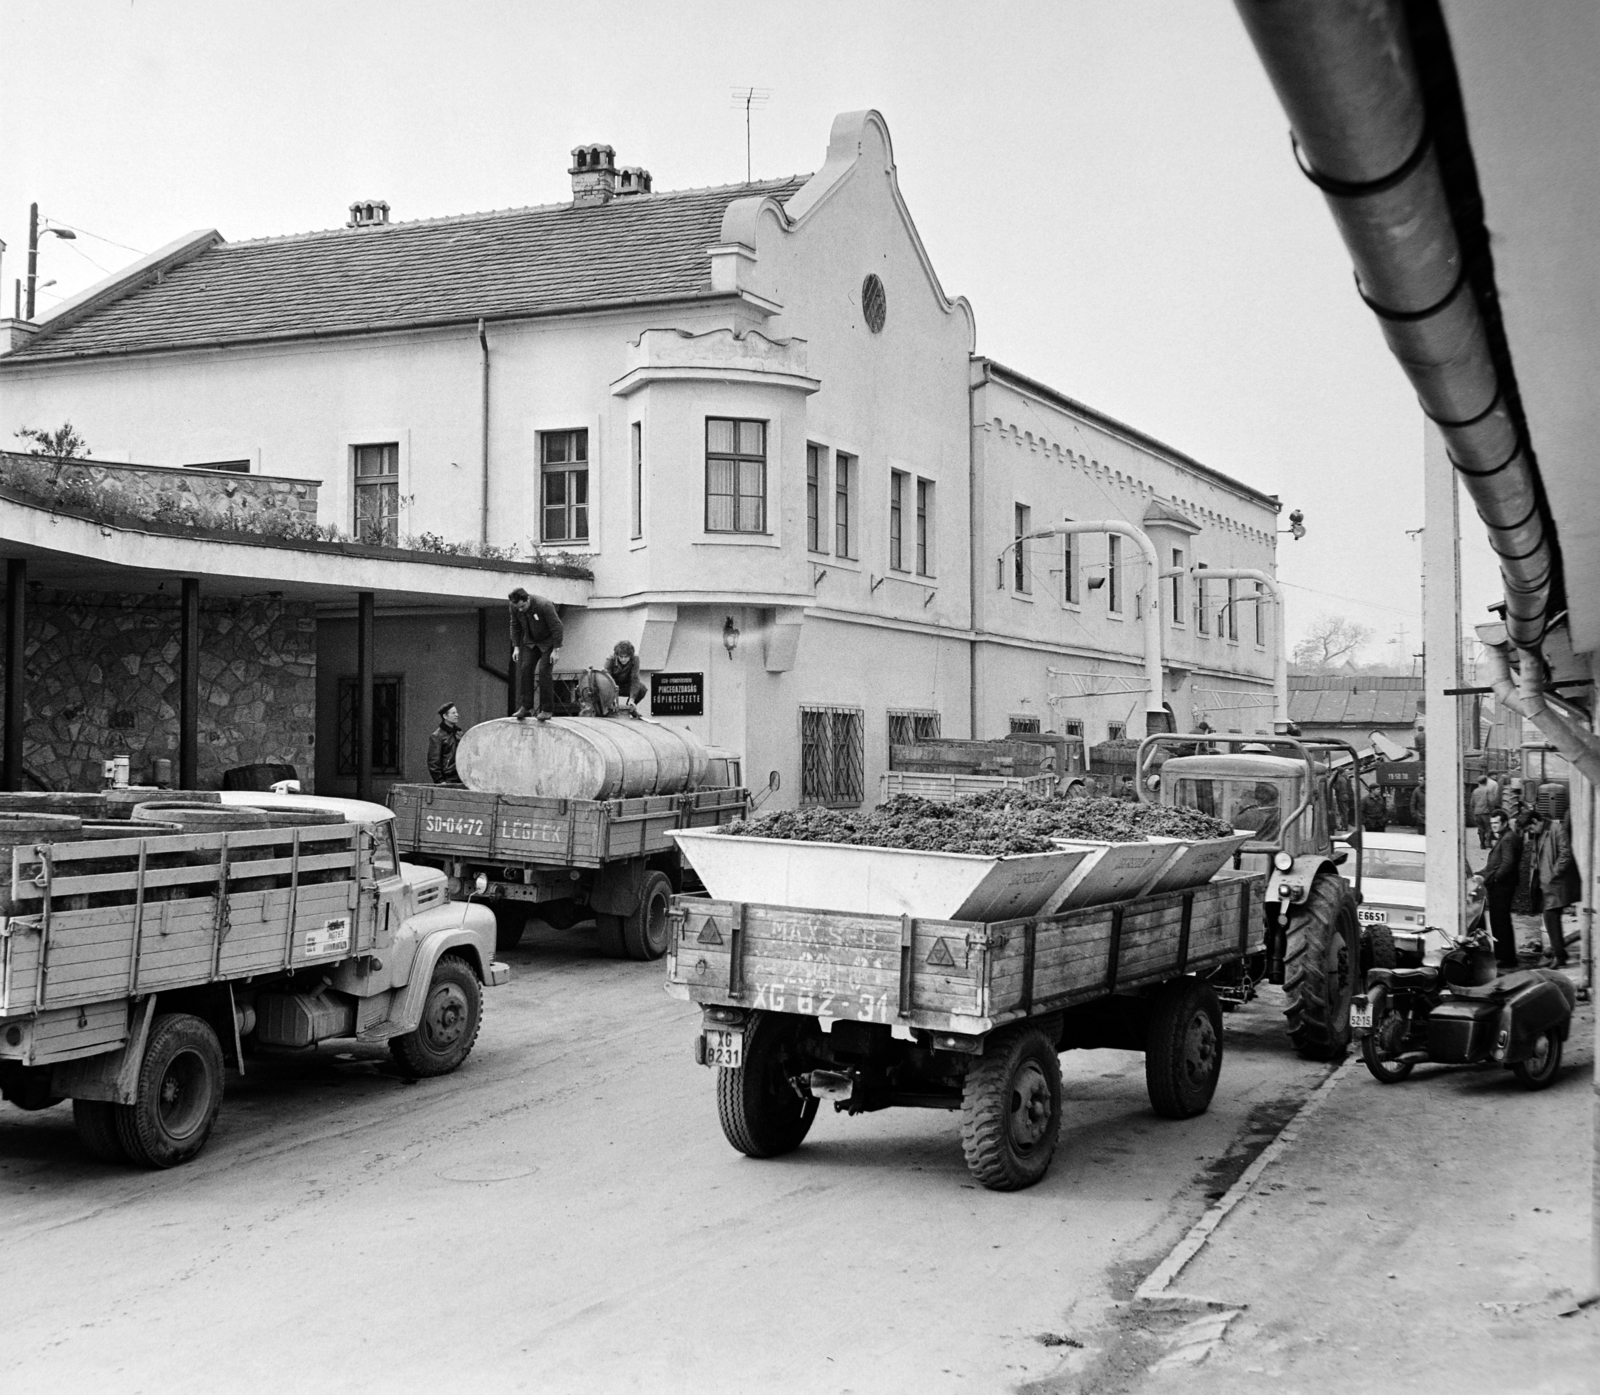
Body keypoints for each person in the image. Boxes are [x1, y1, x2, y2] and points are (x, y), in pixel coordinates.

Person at [508, 588, 563, 721]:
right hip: (531, 642)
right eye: (518, 607)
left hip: (548, 643)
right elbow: (515, 625)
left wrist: (556, 650)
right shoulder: (514, 606)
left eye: (522, 606)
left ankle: (547, 709)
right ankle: (526, 707)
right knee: (525, 669)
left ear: (528, 599)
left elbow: (557, 626)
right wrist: (516, 647)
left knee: (544, 672)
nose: (520, 609)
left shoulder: (544, 605)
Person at [1535, 809, 1580, 968]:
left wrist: (1554, 873)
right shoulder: (1541, 832)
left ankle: (1559, 956)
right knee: (1550, 919)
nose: (1530, 832)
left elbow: (1565, 854)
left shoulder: (1556, 829)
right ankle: (1560, 952)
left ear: (1536, 822)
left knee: (1551, 919)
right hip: (1549, 885)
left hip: (1557, 885)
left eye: (1530, 828)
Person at [1478, 810, 1523, 969]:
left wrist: (1494, 878)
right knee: (1500, 921)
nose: (1494, 826)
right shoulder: (1506, 837)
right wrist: (1482, 873)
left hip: (1502, 887)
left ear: (1504, 823)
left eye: (1496, 823)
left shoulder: (1508, 839)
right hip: (1501, 885)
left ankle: (1506, 958)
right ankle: (1505, 956)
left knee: (1500, 922)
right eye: (1492, 824)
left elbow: (1507, 865)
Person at [603, 639, 648, 708]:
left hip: (627, 685)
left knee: (642, 689)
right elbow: (607, 680)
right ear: (617, 655)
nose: (623, 659)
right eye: (621, 657)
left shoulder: (635, 659)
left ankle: (630, 708)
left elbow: (635, 679)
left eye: (626, 657)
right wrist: (610, 699)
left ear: (630, 656)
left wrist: (632, 699)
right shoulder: (610, 660)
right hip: (613, 685)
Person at [427, 703, 464, 785]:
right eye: (453, 713)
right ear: (445, 716)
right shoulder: (437, 736)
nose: (457, 715)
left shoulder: (459, 733)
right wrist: (440, 781)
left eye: (456, 712)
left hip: (462, 777)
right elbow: (433, 762)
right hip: (448, 779)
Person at [1469, 775, 1494, 849]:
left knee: (1480, 829)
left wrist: (1474, 812)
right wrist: (1492, 811)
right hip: (1486, 812)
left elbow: (1472, 804)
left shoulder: (1475, 791)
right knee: (1489, 828)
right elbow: (1491, 801)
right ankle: (1488, 843)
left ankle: (1482, 844)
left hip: (1477, 813)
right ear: (1486, 782)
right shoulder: (1488, 790)